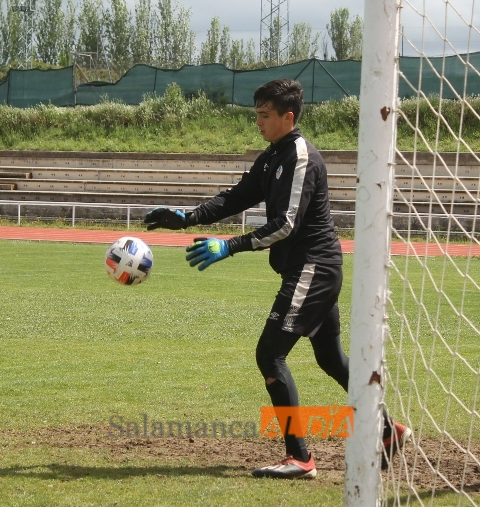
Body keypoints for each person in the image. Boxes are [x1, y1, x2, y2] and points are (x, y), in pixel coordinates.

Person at [144, 79, 410, 479]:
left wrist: (229, 246)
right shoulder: (272, 157)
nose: (258, 123)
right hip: (310, 269)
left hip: (313, 269)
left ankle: (300, 457)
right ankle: (388, 431)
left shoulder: (300, 157)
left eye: (264, 115)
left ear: (288, 117)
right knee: (331, 359)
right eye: (256, 114)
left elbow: (285, 225)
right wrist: (188, 217)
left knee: (270, 354)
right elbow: (236, 197)